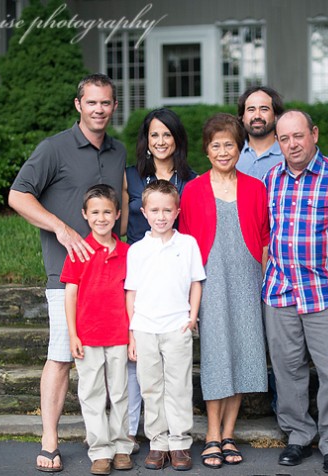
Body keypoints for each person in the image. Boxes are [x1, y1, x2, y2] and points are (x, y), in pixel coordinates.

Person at [8, 73, 125, 473]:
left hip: (112, 277)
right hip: (67, 276)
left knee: (113, 360)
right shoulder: (53, 149)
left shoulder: (118, 151)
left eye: (105, 103)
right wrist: (59, 226)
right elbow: (17, 195)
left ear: (113, 106)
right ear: (78, 105)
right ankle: (50, 440)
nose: (98, 109)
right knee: (60, 355)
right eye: (91, 102)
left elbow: (119, 201)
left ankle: (112, 442)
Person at [262, 110, 328, 475]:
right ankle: (298, 435)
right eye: (284, 138)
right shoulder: (271, 178)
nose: (292, 144)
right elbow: (267, 236)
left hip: (325, 293)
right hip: (280, 292)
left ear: (315, 134)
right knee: (288, 370)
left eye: (298, 136)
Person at [179, 113, 269, 469]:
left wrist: (264, 284)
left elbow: (264, 238)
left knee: (244, 354)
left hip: (248, 279)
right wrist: (190, 297)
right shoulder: (194, 189)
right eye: (215, 145)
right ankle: (212, 435)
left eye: (229, 144)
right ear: (206, 149)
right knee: (217, 356)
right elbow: (185, 244)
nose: (222, 151)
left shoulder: (255, 187)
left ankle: (228, 433)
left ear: (239, 147)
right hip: (209, 281)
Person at [120, 108, 196, 452]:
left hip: (177, 276)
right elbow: (121, 229)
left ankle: (177, 439)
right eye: (154, 135)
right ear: (146, 140)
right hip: (139, 268)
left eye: (167, 134)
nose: (161, 141)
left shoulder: (191, 180)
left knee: (177, 377)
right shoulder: (130, 177)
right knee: (146, 374)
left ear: (177, 139)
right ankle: (149, 436)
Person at [125, 180, 206, 471]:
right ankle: (158, 442)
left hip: (177, 326)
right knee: (150, 386)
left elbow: (196, 282)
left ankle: (179, 442)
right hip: (145, 328)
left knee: (178, 386)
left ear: (177, 212)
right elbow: (131, 292)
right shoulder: (137, 250)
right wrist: (132, 333)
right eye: (155, 210)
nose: (161, 216)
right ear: (144, 212)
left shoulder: (187, 244)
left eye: (167, 210)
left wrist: (192, 316)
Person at [61, 184, 133, 475]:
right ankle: (100, 451)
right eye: (95, 212)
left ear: (117, 214)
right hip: (88, 335)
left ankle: (121, 447)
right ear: (85, 215)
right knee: (91, 394)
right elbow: (70, 294)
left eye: (107, 211)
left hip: (118, 334)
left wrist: (132, 335)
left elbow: (132, 295)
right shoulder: (78, 251)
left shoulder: (129, 253)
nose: (101, 218)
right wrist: (73, 334)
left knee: (119, 393)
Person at [236, 86, 285, 181]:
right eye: (251, 109)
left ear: (275, 116)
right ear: (242, 117)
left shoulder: (288, 154)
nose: (257, 115)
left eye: (264, 109)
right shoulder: (232, 155)